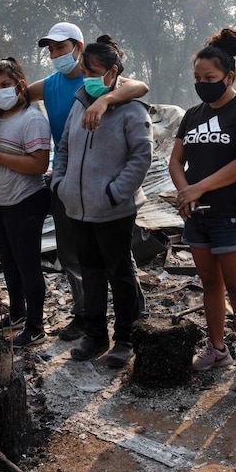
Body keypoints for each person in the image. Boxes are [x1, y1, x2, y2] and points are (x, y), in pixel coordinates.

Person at [0, 22, 149, 342]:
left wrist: (104, 101)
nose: (56, 54)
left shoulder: (104, 81)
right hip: (68, 179)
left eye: (61, 47)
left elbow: (139, 87)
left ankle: (133, 316)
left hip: (108, 182)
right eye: (52, 49)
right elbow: (7, 96)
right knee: (73, 253)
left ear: (79, 48)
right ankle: (86, 315)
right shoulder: (52, 85)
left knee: (117, 255)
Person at [167, 27, 236, 392]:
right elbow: (176, 160)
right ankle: (218, 348)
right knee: (210, 284)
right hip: (198, 216)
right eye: (197, 78)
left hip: (232, 214)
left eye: (209, 78)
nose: (202, 84)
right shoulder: (193, 115)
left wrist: (200, 187)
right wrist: (185, 193)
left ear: (229, 76)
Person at [50, 35, 153, 368]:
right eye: (84, 72)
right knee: (91, 273)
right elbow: (64, 147)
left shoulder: (131, 109)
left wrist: (115, 192)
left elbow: (141, 156)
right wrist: (60, 184)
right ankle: (96, 335)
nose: (87, 79)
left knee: (120, 272)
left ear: (112, 73)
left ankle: (125, 337)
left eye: (93, 72)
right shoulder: (80, 103)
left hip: (113, 209)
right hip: (78, 207)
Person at [0, 58, 52, 349]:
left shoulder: (32, 120)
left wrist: (0, 158)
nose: (1, 92)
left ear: (20, 84)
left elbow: (39, 164)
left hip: (25, 201)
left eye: (5, 85)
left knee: (28, 265)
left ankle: (35, 326)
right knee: (8, 263)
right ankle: (16, 313)